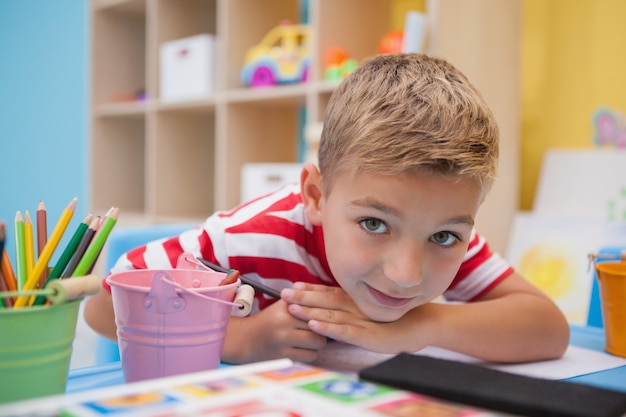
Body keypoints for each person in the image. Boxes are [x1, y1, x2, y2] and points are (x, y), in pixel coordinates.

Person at [84, 53, 569, 365]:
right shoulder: (249, 238)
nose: (406, 274)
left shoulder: (446, 230)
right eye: (374, 223)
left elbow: (548, 329)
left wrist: (419, 326)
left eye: (443, 237)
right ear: (316, 196)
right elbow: (103, 309)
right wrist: (242, 341)